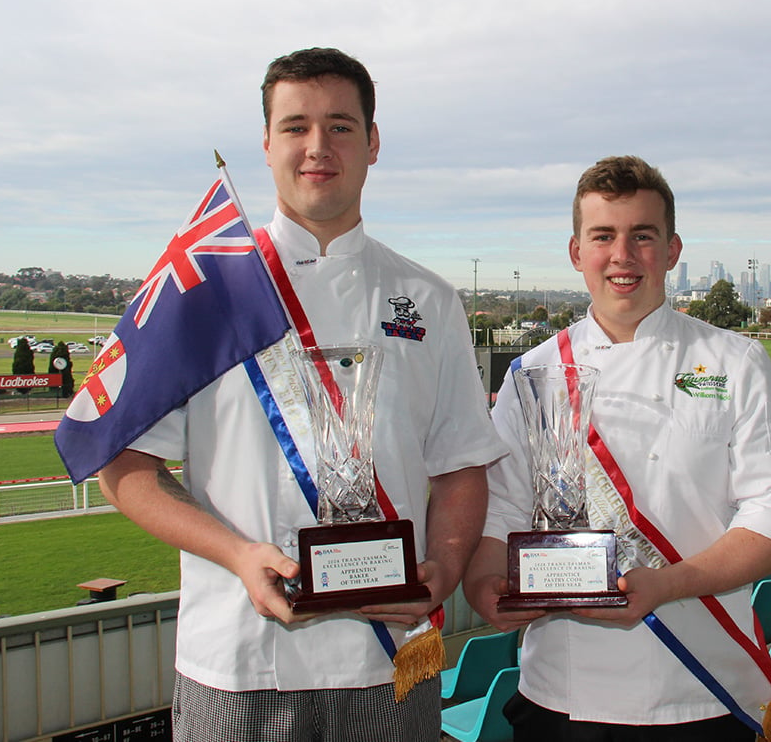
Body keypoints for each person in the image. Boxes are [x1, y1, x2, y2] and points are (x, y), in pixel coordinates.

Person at [96, 48, 506, 741]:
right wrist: (237, 556)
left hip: (391, 661)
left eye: (341, 126)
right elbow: (124, 471)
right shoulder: (198, 293)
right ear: (266, 144)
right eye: (296, 127)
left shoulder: (430, 300)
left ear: (373, 143)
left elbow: (462, 463)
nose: (318, 147)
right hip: (235, 659)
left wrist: (445, 566)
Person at [463, 155, 771, 741]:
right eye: (603, 236)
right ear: (577, 253)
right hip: (561, 693)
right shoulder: (534, 372)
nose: (622, 256)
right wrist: (483, 584)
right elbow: (499, 510)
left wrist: (669, 584)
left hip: (701, 689)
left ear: (672, 250)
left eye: (641, 236)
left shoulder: (736, 361)